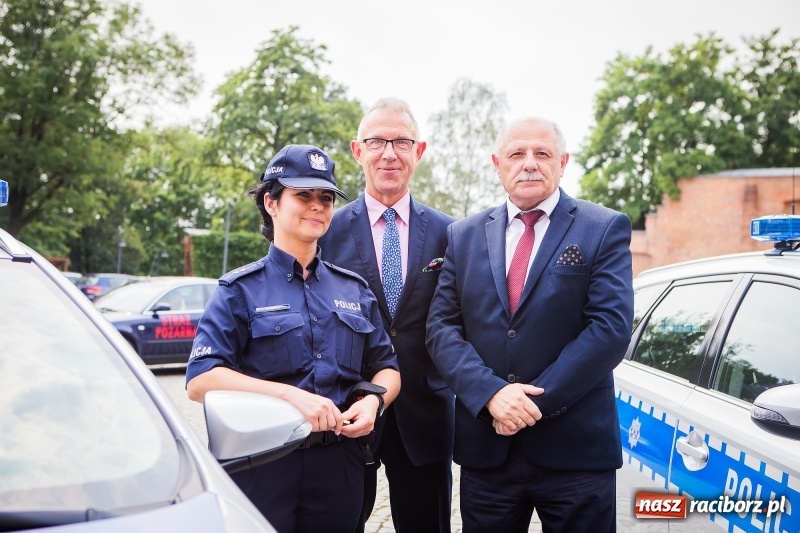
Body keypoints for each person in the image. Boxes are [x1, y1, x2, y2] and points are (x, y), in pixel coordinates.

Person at [425, 117, 634, 533]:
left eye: (542, 153)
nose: (529, 164)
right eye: (517, 154)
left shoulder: (603, 228)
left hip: (575, 454)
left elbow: (609, 328)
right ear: (497, 163)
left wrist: (527, 405)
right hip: (488, 453)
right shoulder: (462, 236)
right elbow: (441, 328)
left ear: (563, 162)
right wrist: (490, 395)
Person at [186, 144, 401, 533]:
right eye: (303, 195)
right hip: (263, 464)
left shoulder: (353, 289)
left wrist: (374, 401)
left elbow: (387, 367)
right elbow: (201, 379)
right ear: (271, 202)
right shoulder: (239, 290)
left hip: (340, 465)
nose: (317, 206)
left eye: (325, 198)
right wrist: (290, 397)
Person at [318, 97, 456, 533]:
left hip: (425, 414)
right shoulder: (324, 231)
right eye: (377, 141)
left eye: (401, 141)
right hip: (345, 413)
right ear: (358, 151)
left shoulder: (452, 234)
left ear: (420, 151)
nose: (389, 153)